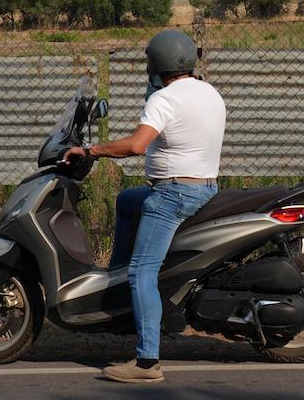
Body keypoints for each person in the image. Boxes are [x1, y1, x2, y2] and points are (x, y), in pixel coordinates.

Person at [63, 29, 225, 384]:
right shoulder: (208, 91)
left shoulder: (164, 100)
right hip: (204, 187)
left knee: (142, 272)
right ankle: (121, 294)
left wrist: (91, 151)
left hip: (174, 194)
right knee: (128, 200)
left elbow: (137, 145)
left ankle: (147, 362)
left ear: (156, 65)